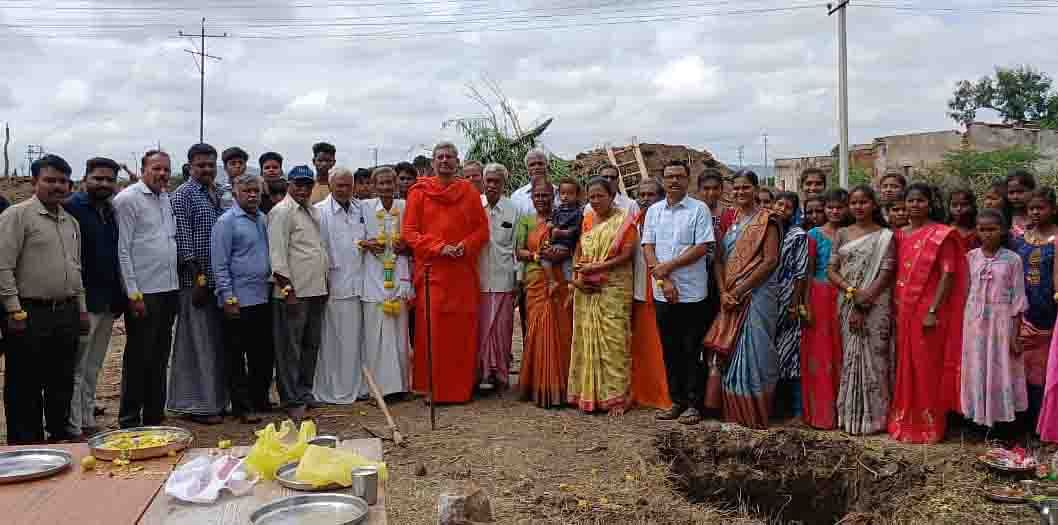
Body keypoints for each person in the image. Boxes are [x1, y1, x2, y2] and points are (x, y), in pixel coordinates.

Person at [0, 154, 87, 444]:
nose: (57, 186)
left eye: (63, 181)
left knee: (60, 381)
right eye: (50, 180)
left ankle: (59, 439)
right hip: (28, 313)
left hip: (65, 312)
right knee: (24, 385)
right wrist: (13, 310)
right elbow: (3, 266)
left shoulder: (70, 222)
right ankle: (26, 447)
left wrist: (82, 310)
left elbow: (76, 269)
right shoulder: (16, 215)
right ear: (34, 181)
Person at [402, 142, 489, 404]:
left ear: (457, 161)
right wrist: (440, 248)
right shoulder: (419, 192)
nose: (444, 161)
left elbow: (482, 231)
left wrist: (463, 247)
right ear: (432, 162)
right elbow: (410, 233)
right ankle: (434, 389)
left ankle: (460, 390)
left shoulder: (469, 191)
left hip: (462, 272)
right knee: (433, 331)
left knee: (461, 332)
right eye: (440, 157)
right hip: (433, 273)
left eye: (449, 157)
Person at [889, 183, 969, 444]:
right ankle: (905, 421)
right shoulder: (898, 235)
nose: (915, 205)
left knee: (927, 367)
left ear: (930, 203)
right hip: (903, 310)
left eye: (920, 201)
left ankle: (930, 426)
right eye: (910, 201)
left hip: (928, 310)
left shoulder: (941, 234)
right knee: (906, 366)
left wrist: (933, 310)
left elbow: (949, 274)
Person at [703, 169, 781, 429]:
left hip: (756, 297)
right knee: (729, 353)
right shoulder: (729, 220)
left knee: (756, 353)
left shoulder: (767, 220)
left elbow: (770, 262)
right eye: (735, 188)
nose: (740, 192)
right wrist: (724, 291)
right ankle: (734, 413)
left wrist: (737, 292)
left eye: (745, 187)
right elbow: (719, 260)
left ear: (756, 189)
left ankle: (755, 414)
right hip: (730, 296)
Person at [643, 161, 715, 424]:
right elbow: (647, 246)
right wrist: (661, 276)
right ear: (662, 179)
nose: (674, 181)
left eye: (680, 176)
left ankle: (695, 404)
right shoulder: (653, 211)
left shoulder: (699, 209)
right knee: (670, 349)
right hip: (663, 292)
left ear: (688, 179)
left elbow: (701, 247)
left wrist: (668, 268)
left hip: (692, 293)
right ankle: (677, 401)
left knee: (692, 349)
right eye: (669, 176)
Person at [114, 150, 180, 429]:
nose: (162, 174)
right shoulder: (128, 199)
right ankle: (130, 420)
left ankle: (154, 416)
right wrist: (134, 293)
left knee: (159, 355)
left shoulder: (165, 198)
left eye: (166, 169)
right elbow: (123, 250)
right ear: (143, 169)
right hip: (145, 292)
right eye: (156, 169)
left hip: (168, 289)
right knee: (139, 356)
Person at [63, 157, 125, 437]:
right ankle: (73, 425)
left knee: (93, 366)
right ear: (85, 178)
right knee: (76, 367)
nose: (103, 184)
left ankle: (87, 420)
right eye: (98, 178)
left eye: (109, 179)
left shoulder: (111, 211)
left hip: (108, 300)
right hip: (83, 302)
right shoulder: (72, 209)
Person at [827, 186, 896, 435]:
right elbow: (832, 270)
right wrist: (852, 293)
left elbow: (887, 271)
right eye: (854, 203)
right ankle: (852, 417)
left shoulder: (886, 235)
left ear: (874, 205)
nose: (858, 207)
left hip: (877, 304)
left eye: (864, 202)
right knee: (851, 358)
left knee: (877, 359)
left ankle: (876, 419)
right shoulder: (843, 234)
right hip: (848, 300)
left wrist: (866, 297)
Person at [169, 143, 228, 424]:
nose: (206, 169)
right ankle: (197, 406)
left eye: (210, 165)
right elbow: (183, 238)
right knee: (197, 344)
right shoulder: (183, 195)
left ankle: (216, 400)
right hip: (196, 283)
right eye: (200, 165)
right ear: (190, 166)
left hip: (218, 281)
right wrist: (198, 280)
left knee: (215, 344)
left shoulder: (217, 193)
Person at [569, 177, 638, 415]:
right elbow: (579, 251)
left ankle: (619, 397)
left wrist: (596, 269)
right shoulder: (587, 219)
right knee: (588, 338)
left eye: (600, 196)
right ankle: (592, 395)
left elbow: (627, 255)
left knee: (614, 341)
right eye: (591, 197)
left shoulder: (624, 222)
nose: (595, 201)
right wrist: (579, 278)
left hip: (614, 289)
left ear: (612, 196)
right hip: (587, 287)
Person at [269, 165, 330, 419]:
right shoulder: (281, 212)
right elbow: (277, 256)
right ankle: (290, 398)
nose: (304, 189)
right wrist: (287, 292)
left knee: (310, 346)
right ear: (289, 185)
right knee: (288, 350)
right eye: (299, 184)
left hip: (315, 290)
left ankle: (304, 392)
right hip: (293, 293)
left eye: (308, 185)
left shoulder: (311, 211)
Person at [210, 173, 271, 423]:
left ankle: (260, 400)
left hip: (262, 297)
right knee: (236, 356)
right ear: (235, 194)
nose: (253, 195)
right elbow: (220, 263)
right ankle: (242, 406)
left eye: (256, 191)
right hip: (238, 300)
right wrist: (228, 297)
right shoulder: (227, 222)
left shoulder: (263, 219)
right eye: (247, 191)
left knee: (262, 354)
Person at [962, 209, 1028, 430]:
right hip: (974, 321)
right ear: (976, 231)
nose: (987, 234)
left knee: (1000, 368)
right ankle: (977, 418)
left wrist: (1015, 334)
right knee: (977, 366)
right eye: (982, 229)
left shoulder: (1013, 259)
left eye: (992, 229)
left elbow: (1018, 299)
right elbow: (964, 292)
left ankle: (1000, 422)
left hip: (1001, 323)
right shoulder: (970, 258)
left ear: (1002, 231)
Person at [516, 180, 574, 408]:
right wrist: (536, 256)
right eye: (537, 196)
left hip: (559, 279)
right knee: (537, 330)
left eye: (546, 195)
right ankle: (538, 385)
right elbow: (519, 251)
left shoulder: (562, 218)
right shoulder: (526, 221)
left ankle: (563, 386)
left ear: (554, 196)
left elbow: (572, 244)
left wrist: (560, 253)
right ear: (532, 198)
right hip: (535, 281)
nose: (541, 199)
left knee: (561, 329)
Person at [313, 167, 368, 404]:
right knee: (334, 341)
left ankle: (357, 386)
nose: (345, 190)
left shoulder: (359, 209)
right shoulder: (321, 212)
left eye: (349, 185)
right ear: (331, 185)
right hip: (335, 285)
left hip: (361, 284)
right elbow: (320, 251)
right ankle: (334, 389)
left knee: (356, 340)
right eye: (340, 186)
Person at [361, 166, 413, 397]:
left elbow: (415, 236)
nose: (385, 187)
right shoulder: (363, 207)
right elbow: (353, 236)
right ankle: (379, 389)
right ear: (373, 186)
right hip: (373, 275)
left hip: (400, 274)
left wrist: (408, 246)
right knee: (376, 333)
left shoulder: (406, 207)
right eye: (380, 183)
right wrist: (366, 243)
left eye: (389, 183)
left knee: (400, 333)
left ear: (396, 184)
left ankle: (401, 386)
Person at [800, 189, 848, 430]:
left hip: (847, 297)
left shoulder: (852, 234)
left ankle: (846, 413)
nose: (834, 211)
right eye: (830, 207)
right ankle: (821, 414)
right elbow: (807, 272)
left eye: (840, 206)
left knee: (844, 353)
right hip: (819, 296)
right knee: (821, 355)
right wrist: (805, 304)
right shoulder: (813, 235)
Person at [1012, 187, 1058, 431]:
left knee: (1044, 370)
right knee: (1021, 367)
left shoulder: (1057, 240)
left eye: (1041, 208)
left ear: (1053, 209)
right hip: (1022, 312)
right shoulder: (1019, 240)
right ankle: (1022, 424)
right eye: (1032, 208)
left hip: (1048, 313)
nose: (1036, 212)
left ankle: (1043, 425)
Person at [628, 178, 670, 411]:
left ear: (661, 197)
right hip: (638, 289)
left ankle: (663, 393)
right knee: (642, 344)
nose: (645, 199)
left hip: (663, 289)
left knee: (662, 344)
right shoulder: (632, 222)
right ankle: (643, 391)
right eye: (641, 195)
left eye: (650, 194)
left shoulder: (665, 220)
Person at [477, 163, 518, 390]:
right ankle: (482, 373)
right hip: (478, 279)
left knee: (502, 329)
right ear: (483, 182)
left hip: (504, 280)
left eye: (497, 181)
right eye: (489, 181)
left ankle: (500, 374)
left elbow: (517, 247)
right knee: (481, 328)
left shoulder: (513, 210)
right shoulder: (473, 206)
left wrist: (517, 281)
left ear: (504, 184)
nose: (492, 185)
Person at [772, 191, 809, 424]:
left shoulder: (798, 235)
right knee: (771, 355)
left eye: (788, 207)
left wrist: (794, 304)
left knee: (790, 355)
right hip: (767, 298)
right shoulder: (768, 231)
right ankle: (775, 408)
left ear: (794, 212)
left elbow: (801, 272)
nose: (782, 209)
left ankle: (797, 410)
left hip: (787, 297)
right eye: (779, 204)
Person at [949, 188, 980, 252]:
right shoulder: (945, 231)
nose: (958, 209)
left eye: (964, 205)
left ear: (972, 206)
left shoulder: (980, 230)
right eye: (954, 205)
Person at [1007, 169, 1036, 237]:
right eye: (1011, 192)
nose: (1015, 197)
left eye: (1020, 192)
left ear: (1033, 191)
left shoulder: (1042, 215)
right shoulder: (1006, 216)